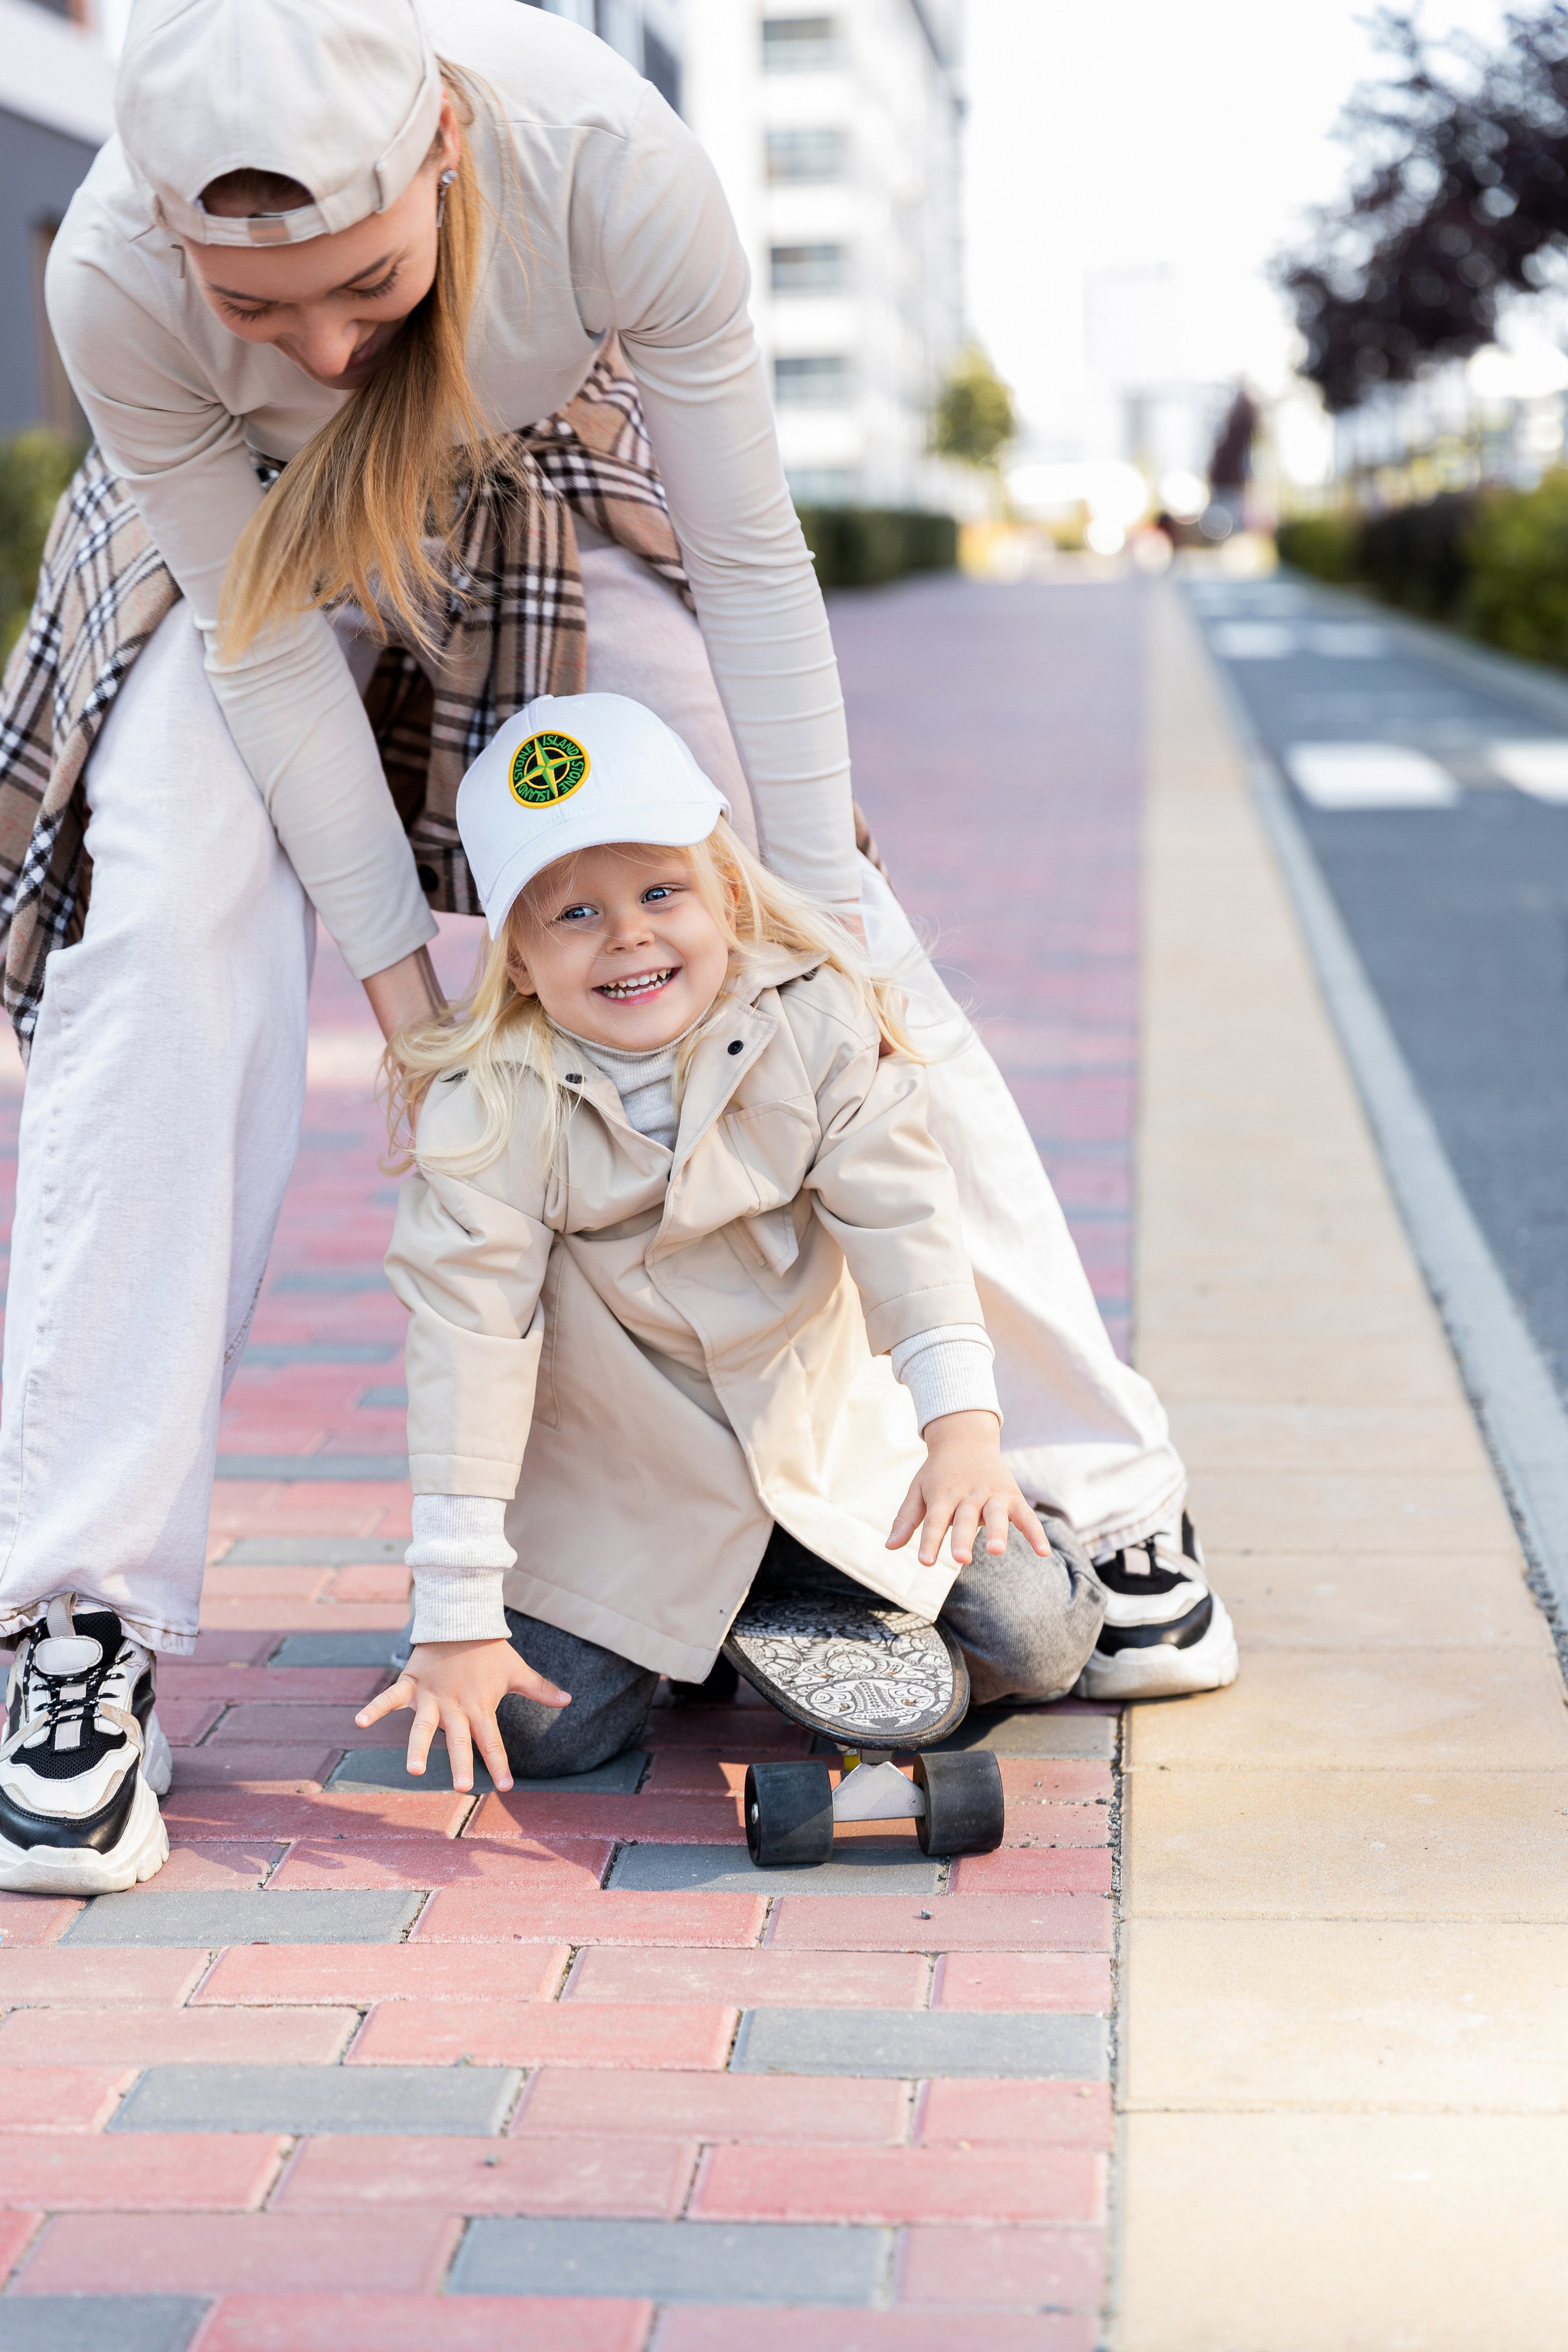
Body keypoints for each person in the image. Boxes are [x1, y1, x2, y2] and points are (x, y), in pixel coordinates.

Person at [0, 0, 1230, 1896]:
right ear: (170, 240)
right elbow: (262, 655)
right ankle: (70, 1622)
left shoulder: (610, 166)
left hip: (546, 465)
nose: (328, 347)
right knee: (164, 915)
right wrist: (417, 1012)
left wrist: (815, 926)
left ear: (443, 161)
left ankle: (1106, 1502)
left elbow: (752, 568)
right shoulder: (111, 276)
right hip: (239, 538)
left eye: (366, 287)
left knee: (813, 929)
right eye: (263, 308)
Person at [360, 694, 1106, 1785]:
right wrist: (461, 1610)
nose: (630, 935)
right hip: (631, 1494)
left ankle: (792, 1605)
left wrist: (962, 1433)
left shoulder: (815, 1024)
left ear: (724, 896)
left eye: (663, 892)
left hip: (830, 1462)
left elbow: (905, 1224)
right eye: (573, 915)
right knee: (535, 1731)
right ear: (516, 960)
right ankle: (688, 1622)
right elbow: (466, 1346)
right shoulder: (488, 1112)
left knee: (1038, 1636)